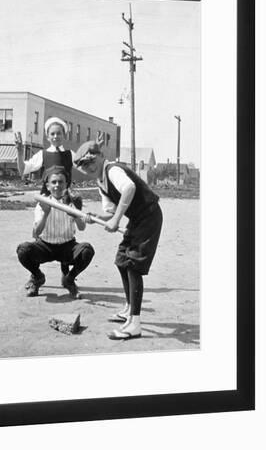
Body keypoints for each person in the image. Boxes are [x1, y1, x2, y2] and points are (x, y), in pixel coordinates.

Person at [74, 141, 163, 340]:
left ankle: (134, 323)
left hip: (149, 216)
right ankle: (129, 307)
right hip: (137, 219)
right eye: (84, 165)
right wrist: (91, 216)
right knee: (122, 260)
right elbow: (111, 212)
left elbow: (129, 188)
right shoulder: (100, 181)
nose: (89, 167)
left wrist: (115, 220)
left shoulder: (112, 170)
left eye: (91, 161)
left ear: (100, 156)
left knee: (132, 264)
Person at [14, 117, 102, 276]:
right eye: (52, 134)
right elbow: (23, 170)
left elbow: (86, 168)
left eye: (59, 133)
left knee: (66, 233)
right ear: (47, 136)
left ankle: (66, 268)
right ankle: (35, 275)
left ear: (64, 135)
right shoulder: (43, 154)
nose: (55, 136)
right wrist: (20, 151)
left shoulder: (70, 154)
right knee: (43, 233)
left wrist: (95, 150)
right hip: (47, 200)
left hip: (66, 199)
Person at [16, 165, 95, 299]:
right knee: (23, 250)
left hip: (67, 246)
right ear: (47, 186)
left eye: (61, 182)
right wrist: (46, 213)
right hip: (45, 246)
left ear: (66, 185)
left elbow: (82, 228)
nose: (57, 185)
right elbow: (36, 233)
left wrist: (75, 215)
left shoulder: (72, 203)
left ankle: (69, 279)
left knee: (87, 250)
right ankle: (37, 277)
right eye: (54, 182)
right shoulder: (43, 203)